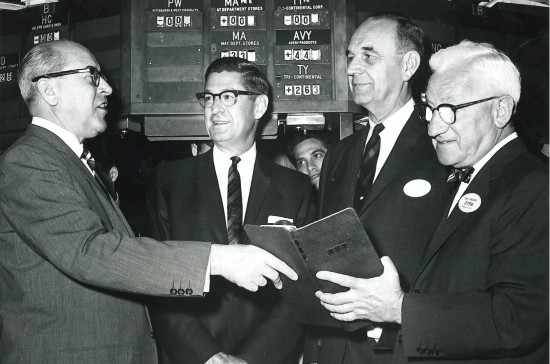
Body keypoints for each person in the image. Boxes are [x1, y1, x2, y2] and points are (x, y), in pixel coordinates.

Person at [0, 40, 298, 363]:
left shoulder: (68, 162)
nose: (109, 89)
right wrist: (221, 260)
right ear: (49, 91)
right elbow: (92, 252)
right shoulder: (29, 162)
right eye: (92, 76)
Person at [316, 40, 549, 363]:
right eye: (430, 110)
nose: (435, 128)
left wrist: (398, 309)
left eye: (450, 111)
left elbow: (517, 319)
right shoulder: (469, 176)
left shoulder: (535, 187)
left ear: (501, 110)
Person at [148, 57, 315, 364]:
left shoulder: (296, 188)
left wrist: (252, 359)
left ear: (259, 105)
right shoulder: (170, 179)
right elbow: (157, 276)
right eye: (209, 98)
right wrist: (207, 355)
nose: (214, 108)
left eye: (228, 97)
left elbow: (301, 286)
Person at [305, 13, 451, 364]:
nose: (353, 68)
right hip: (335, 344)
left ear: (408, 65)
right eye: (350, 57)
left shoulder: (443, 145)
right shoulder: (340, 153)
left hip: (406, 347)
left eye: (368, 56)